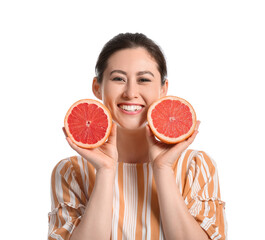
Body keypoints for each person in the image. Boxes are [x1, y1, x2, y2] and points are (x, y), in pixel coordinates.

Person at [48, 33, 227, 240]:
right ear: (97, 88)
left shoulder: (196, 166)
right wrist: (106, 170)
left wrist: (163, 169)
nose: (131, 92)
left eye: (143, 79)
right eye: (118, 79)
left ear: (163, 89)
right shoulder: (72, 171)